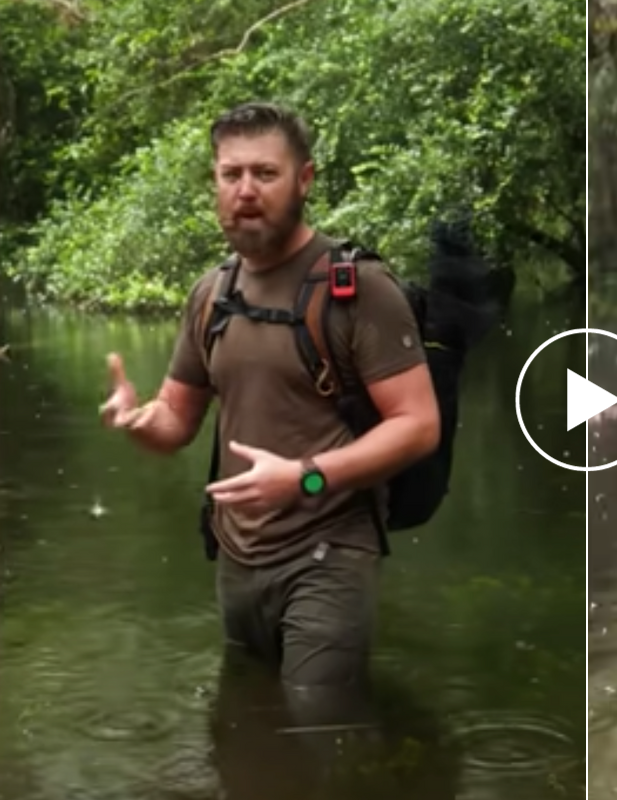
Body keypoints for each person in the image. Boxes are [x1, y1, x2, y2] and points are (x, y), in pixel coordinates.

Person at [98, 101, 441, 697]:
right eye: (232, 175)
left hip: (330, 550)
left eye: (265, 173)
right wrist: (135, 419)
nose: (246, 190)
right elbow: (175, 420)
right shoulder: (213, 292)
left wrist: (305, 478)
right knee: (249, 726)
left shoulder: (358, 288)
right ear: (216, 183)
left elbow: (417, 424)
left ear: (303, 180)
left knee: (317, 728)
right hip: (236, 554)